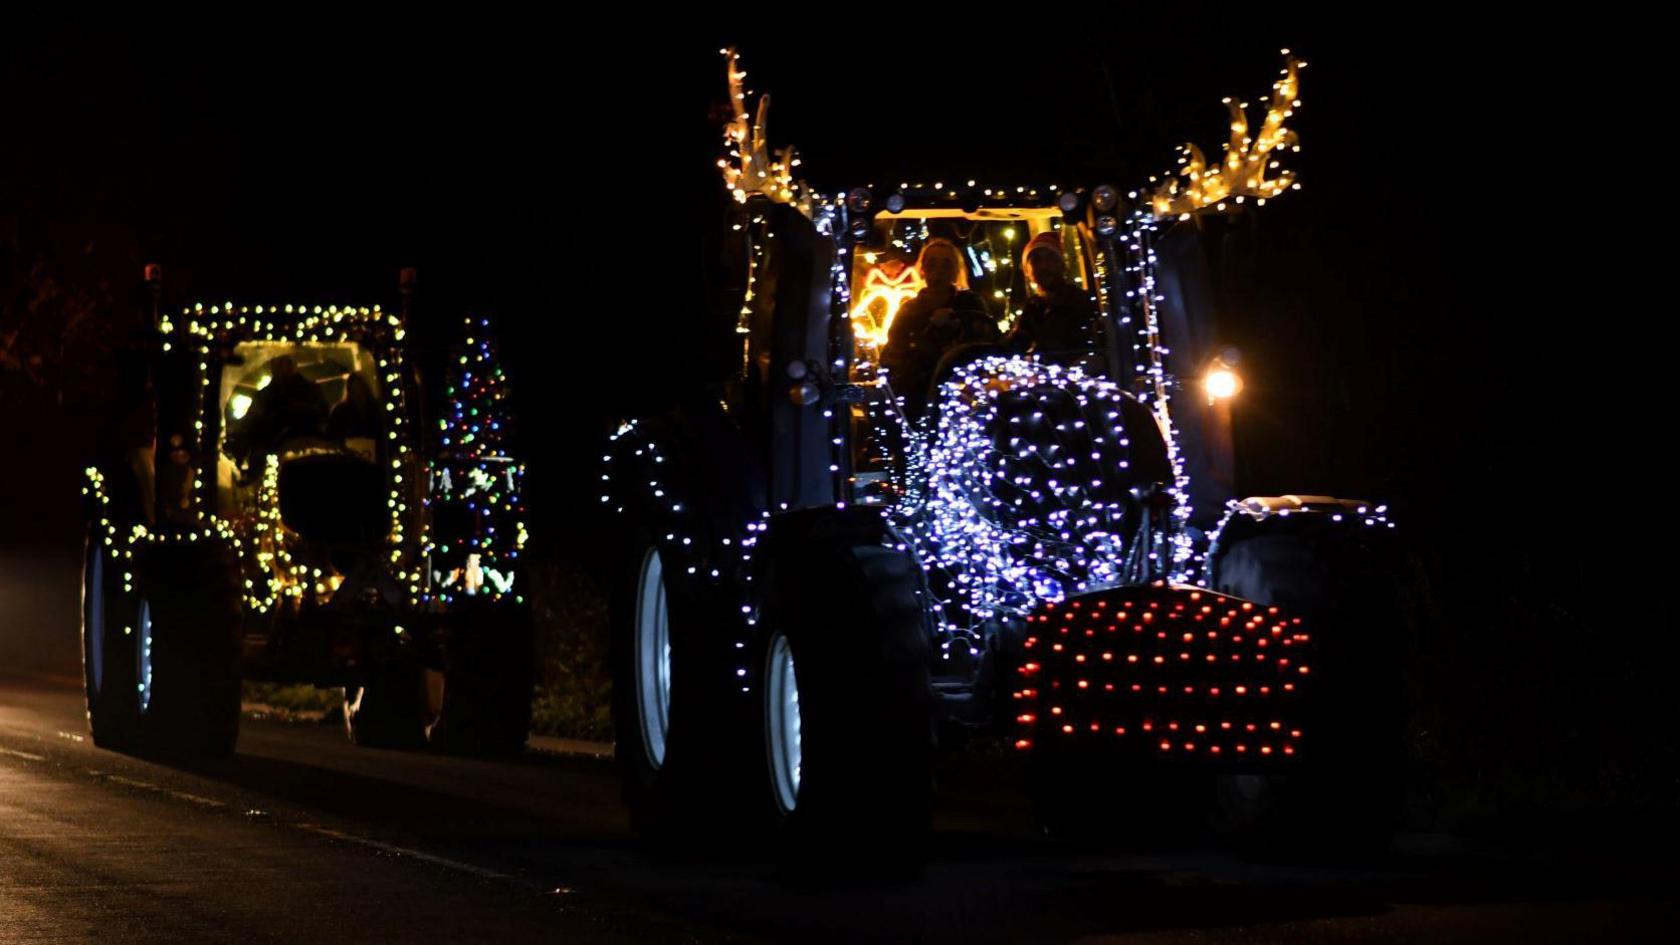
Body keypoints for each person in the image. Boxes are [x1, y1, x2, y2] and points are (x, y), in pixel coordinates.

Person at [880, 238, 996, 417]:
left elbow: (986, 341)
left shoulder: (971, 303)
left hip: (963, 395)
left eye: (946, 265)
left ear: (955, 271)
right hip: (917, 396)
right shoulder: (909, 310)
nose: (939, 271)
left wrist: (959, 325)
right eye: (932, 264)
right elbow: (893, 354)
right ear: (923, 269)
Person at [1004, 231, 1101, 356]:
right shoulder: (1034, 306)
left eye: (1051, 258)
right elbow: (1018, 343)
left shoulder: (1080, 301)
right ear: (1027, 271)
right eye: (1036, 260)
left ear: (1063, 265)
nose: (1044, 266)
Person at [233, 354, 328, 464]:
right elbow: (251, 423)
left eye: (286, 363)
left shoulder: (311, 391)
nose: (283, 368)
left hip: (307, 444)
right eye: (279, 364)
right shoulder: (264, 395)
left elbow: (323, 416)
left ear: (293, 366)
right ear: (273, 367)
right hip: (272, 447)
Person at [326, 373, 381, 441]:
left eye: (359, 391)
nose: (358, 396)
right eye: (354, 392)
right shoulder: (341, 411)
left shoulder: (375, 408)